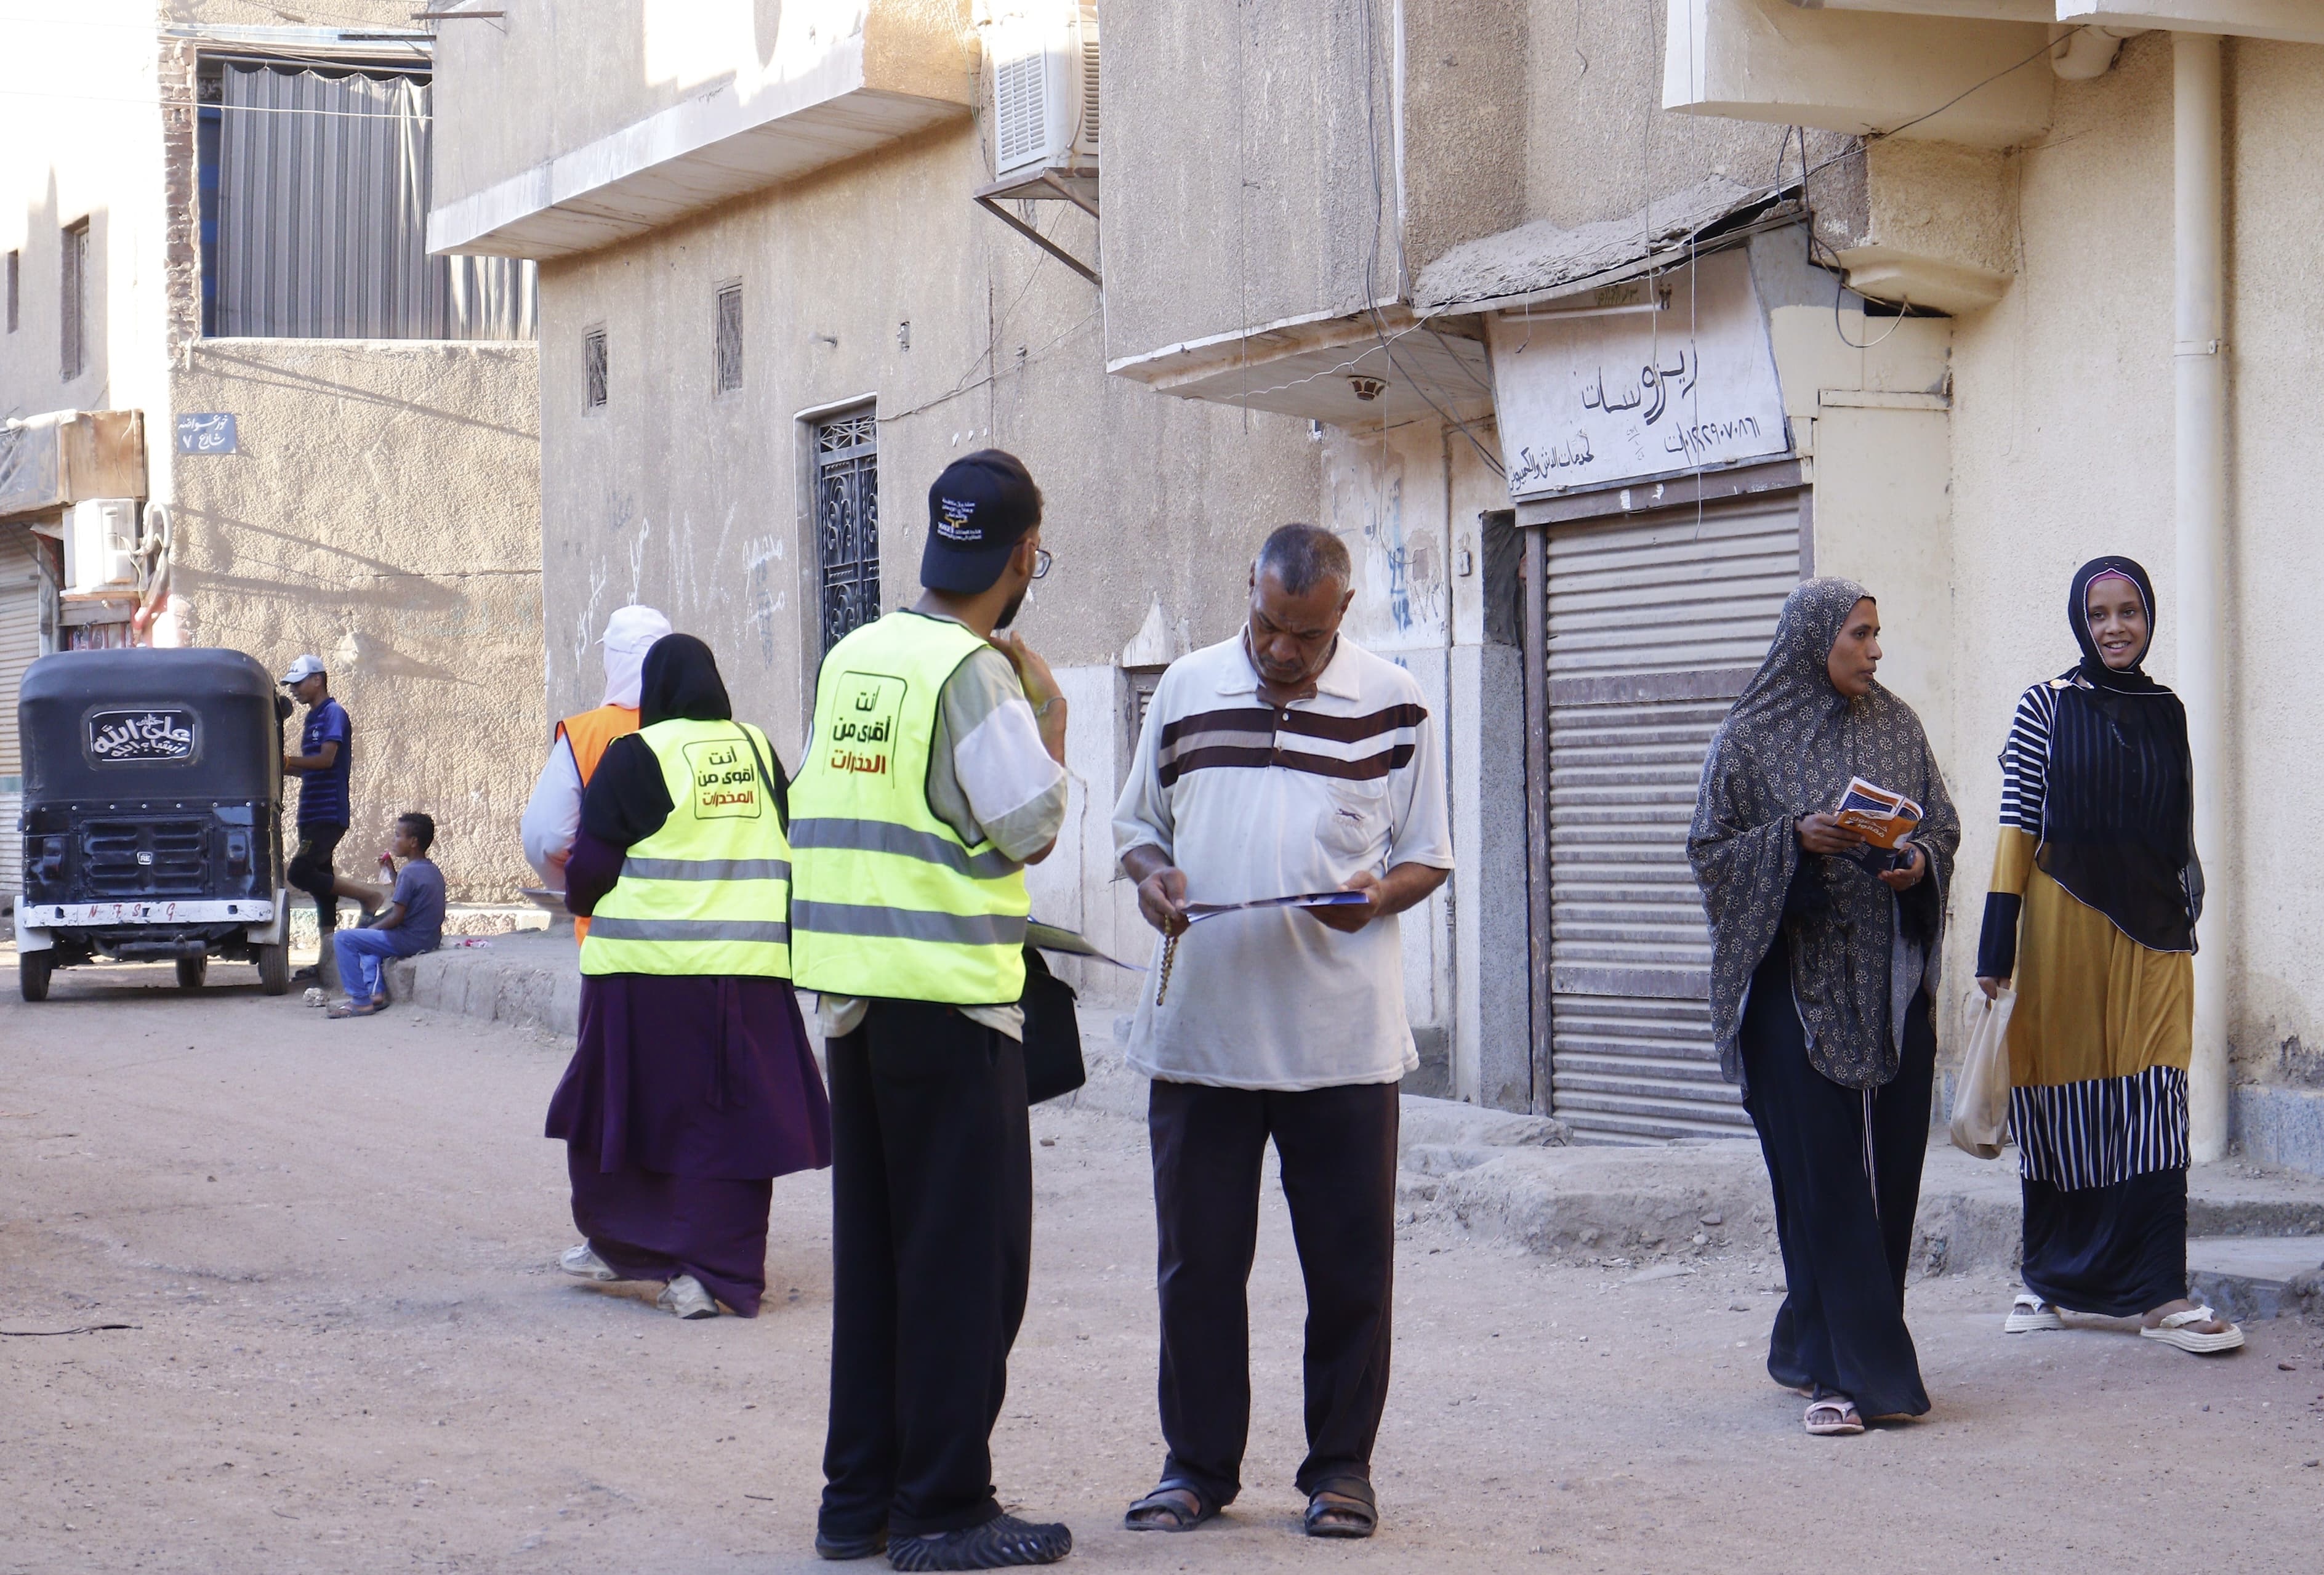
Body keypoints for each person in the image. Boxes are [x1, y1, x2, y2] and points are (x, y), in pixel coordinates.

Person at [1112, 523, 1452, 1541]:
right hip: (1201, 1035)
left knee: (1349, 1269)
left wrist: (1377, 896)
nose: (1280, 651)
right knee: (1199, 1267)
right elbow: (1139, 830)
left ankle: (1341, 1470)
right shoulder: (1184, 688)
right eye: (1267, 625)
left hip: (1340, 1042)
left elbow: (1429, 856)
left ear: (1341, 614)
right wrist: (1152, 882)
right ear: (1248, 596)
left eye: (1303, 635)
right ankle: (1196, 1467)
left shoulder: (1395, 701)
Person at [790, 450, 1074, 1570]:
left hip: (856, 1004)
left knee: (880, 1264)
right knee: (966, 1266)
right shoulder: (975, 674)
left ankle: (856, 1504)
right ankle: (945, 1507)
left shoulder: (855, 654)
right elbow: (1032, 823)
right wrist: (1046, 709)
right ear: (1020, 557)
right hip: (951, 1007)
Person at [1689, 578, 1960, 1436]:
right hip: (1788, 998)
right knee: (1820, 1182)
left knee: (1886, 1179)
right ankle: (1850, 1380)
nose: (1874, 650)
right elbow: (1708, 853)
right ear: (1815, 640)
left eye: (1877, 634)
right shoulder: (1745, 738)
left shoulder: (1895, 723)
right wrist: (1791, 840)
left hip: (1883, 990)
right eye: (1860, 634)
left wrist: (1914, 859)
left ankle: (1810, 1342)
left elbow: (1941, 825)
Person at [1975, 558, 2242, 1355]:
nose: (2114, 627)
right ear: (2078, 622)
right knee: (2058, 1102)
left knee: (2155, 1099)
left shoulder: (2166, 709)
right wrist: (1996, 943)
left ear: (2147, 617)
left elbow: (2176, 824)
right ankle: (2044, 1280)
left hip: (2154, 936)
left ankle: (2159, 1294)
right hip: (2062, 935)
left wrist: (2190, 887)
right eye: (2098, 614)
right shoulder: (2045, 706)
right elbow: (2016, 823)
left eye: (2127, 611)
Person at [547, 634, 831, 1323]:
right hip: (753, 975)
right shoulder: (759, 749)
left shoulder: (639, 754)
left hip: (649, 976)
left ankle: (627, 1244)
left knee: (628, 1112)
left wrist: (583, 901)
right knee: (729, 1127)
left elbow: (589, 870)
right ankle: (715, 1273)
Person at [520, 604, 673, 944]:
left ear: (613, 662)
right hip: (707, 936)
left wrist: (576, 887)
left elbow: (545, 839)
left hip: (613, 935)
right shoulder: (717, 733)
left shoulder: (587, 735)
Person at [280, 655, 375, 983]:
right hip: (311, 810)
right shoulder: (313, 717)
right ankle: (327, 961)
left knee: (300, 872)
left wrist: (288, 760)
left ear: (318, 679)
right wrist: (280, 765)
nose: (293, 689)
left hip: (327, 812)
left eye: (299, 682)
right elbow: (307, 768)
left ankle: (369, 896)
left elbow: (325, 760)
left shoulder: (333, 713)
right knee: (323, 887)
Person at [327, 813, 446, 1018]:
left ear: (414, 842)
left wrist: (370, 930)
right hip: (429, 939)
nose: (394, 840)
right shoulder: (430, 869)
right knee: (370, 947)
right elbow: (411, 895)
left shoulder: (410, 873)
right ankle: (375, 993)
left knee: (344, 939)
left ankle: (360, 1001)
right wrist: (392, 874)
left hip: (409, 940)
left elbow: (397, 917)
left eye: (398, 835)